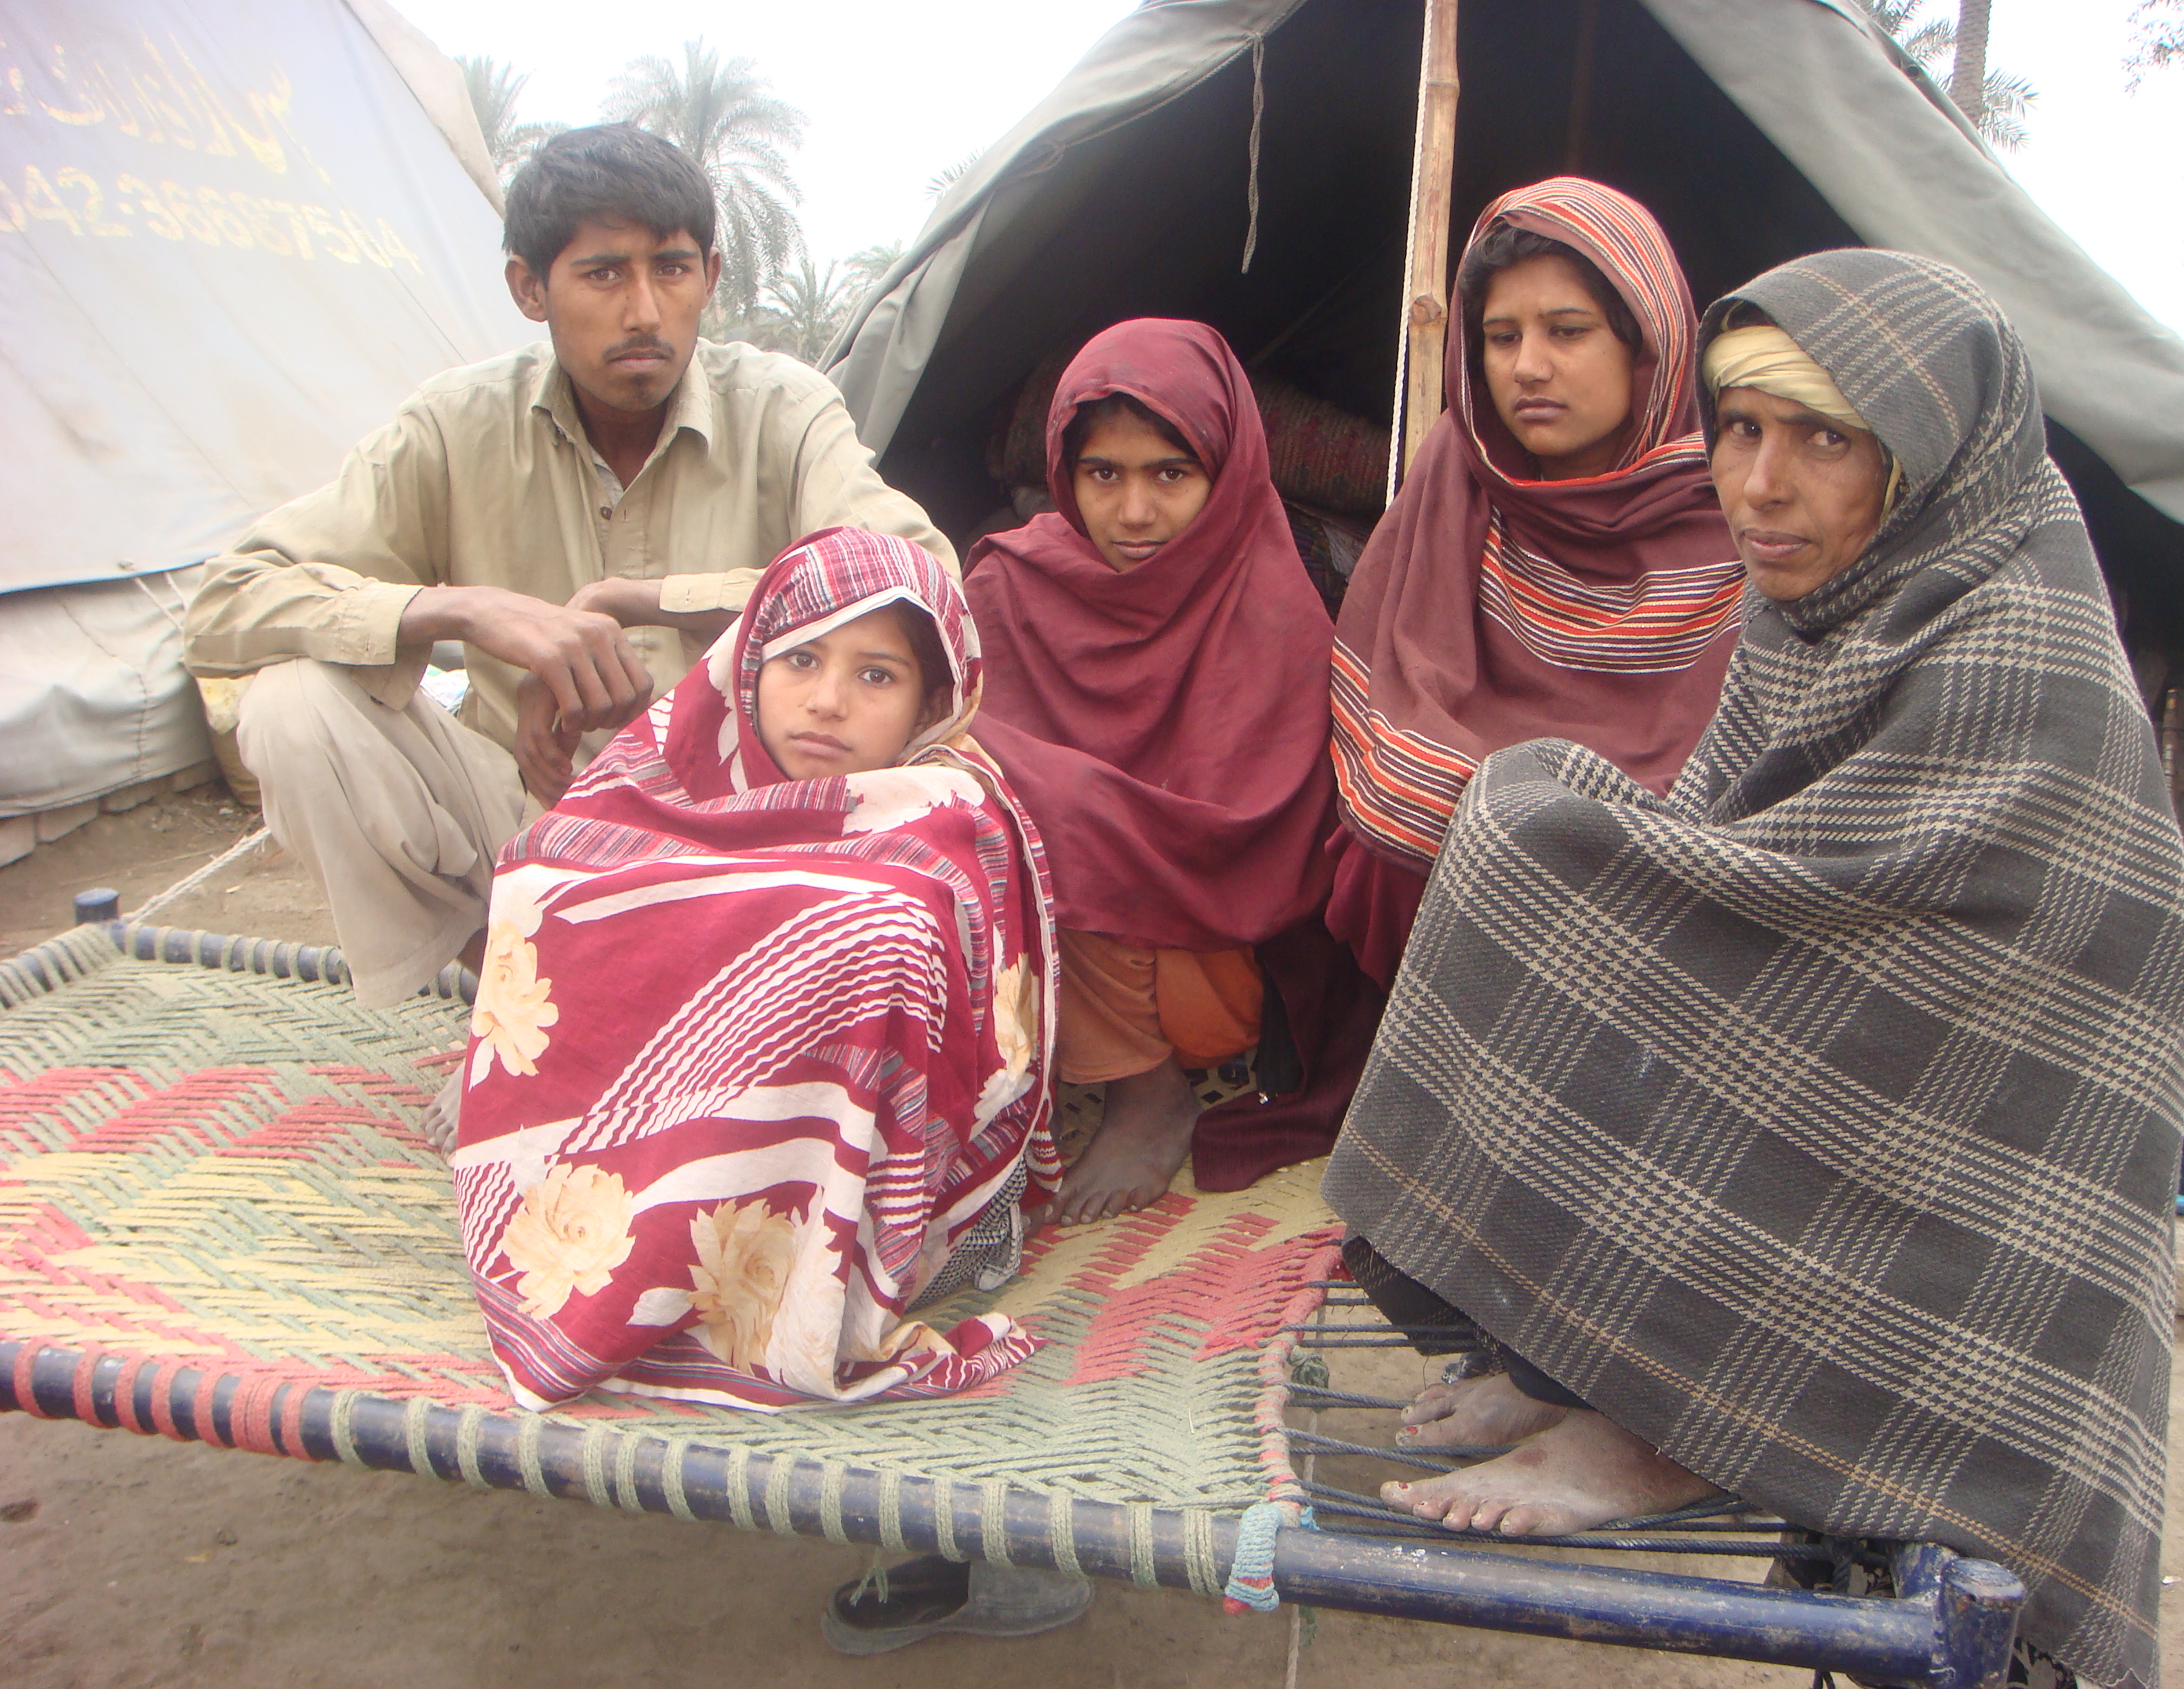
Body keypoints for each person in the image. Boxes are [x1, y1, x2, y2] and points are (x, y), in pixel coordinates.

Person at [1323, 250, 2184, 1689]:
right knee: (1532, 819)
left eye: (1824, 439)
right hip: (1866, 1087)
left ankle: (1663, 1431)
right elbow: (1736, 858)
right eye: (1737, 429)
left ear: (1926, 461)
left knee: (1570, 871)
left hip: (1963, 1166)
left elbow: (1864, 966)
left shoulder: (2014, 644)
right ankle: (1574, 1361)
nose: (1760, 486)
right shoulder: (1820, 607)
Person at [181, 124, 952, 1007]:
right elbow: (228, 599)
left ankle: (678, 1004)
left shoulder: (783, 409)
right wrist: (468, 611)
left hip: (739, 826)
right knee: (292, 708)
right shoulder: (457, 424)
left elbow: (920, 580)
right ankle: (522, 1000)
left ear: (711, 275)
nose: (645, 312)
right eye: (603, 274)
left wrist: (645, 600)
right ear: (528, 288)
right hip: (523, 821)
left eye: (672, 269)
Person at [451, 526, 1056, 1412]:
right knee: (545, 874)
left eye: (877, 676)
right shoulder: (679, 759)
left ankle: (798, 1268)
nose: (828, 702)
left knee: (874, 925)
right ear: (749, 663)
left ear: (933, 702)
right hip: (621, 1173)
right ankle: (602, 1216)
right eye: (800, 660)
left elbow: (920, 934)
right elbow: (566, 852)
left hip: (867, 1186)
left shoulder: (947, 808)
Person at [964, 318, 1375, 1224]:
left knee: (1069, 810)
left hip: (1217, 957)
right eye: (1103, 475)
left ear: (1224, 473)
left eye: (1171, 475)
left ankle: (1154, 1087)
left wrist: (1111, 825)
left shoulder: (1273, 597)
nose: (1135, 513)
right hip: (1068, 958)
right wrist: (1083, 812)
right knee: (990, 789)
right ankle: (1118, 1082)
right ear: (1063, 472)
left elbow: (1280, 825)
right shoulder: (1011, 585)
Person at [1327, 177, 1741, 985]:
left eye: (1567, 331)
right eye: (1501, 337)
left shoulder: (1733, 514)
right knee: (1398, 820)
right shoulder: (1459, 472)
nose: (1527, 368)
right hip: (1447, 890)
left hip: (1666, 893)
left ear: (1647, 342)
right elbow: (1400, 685)